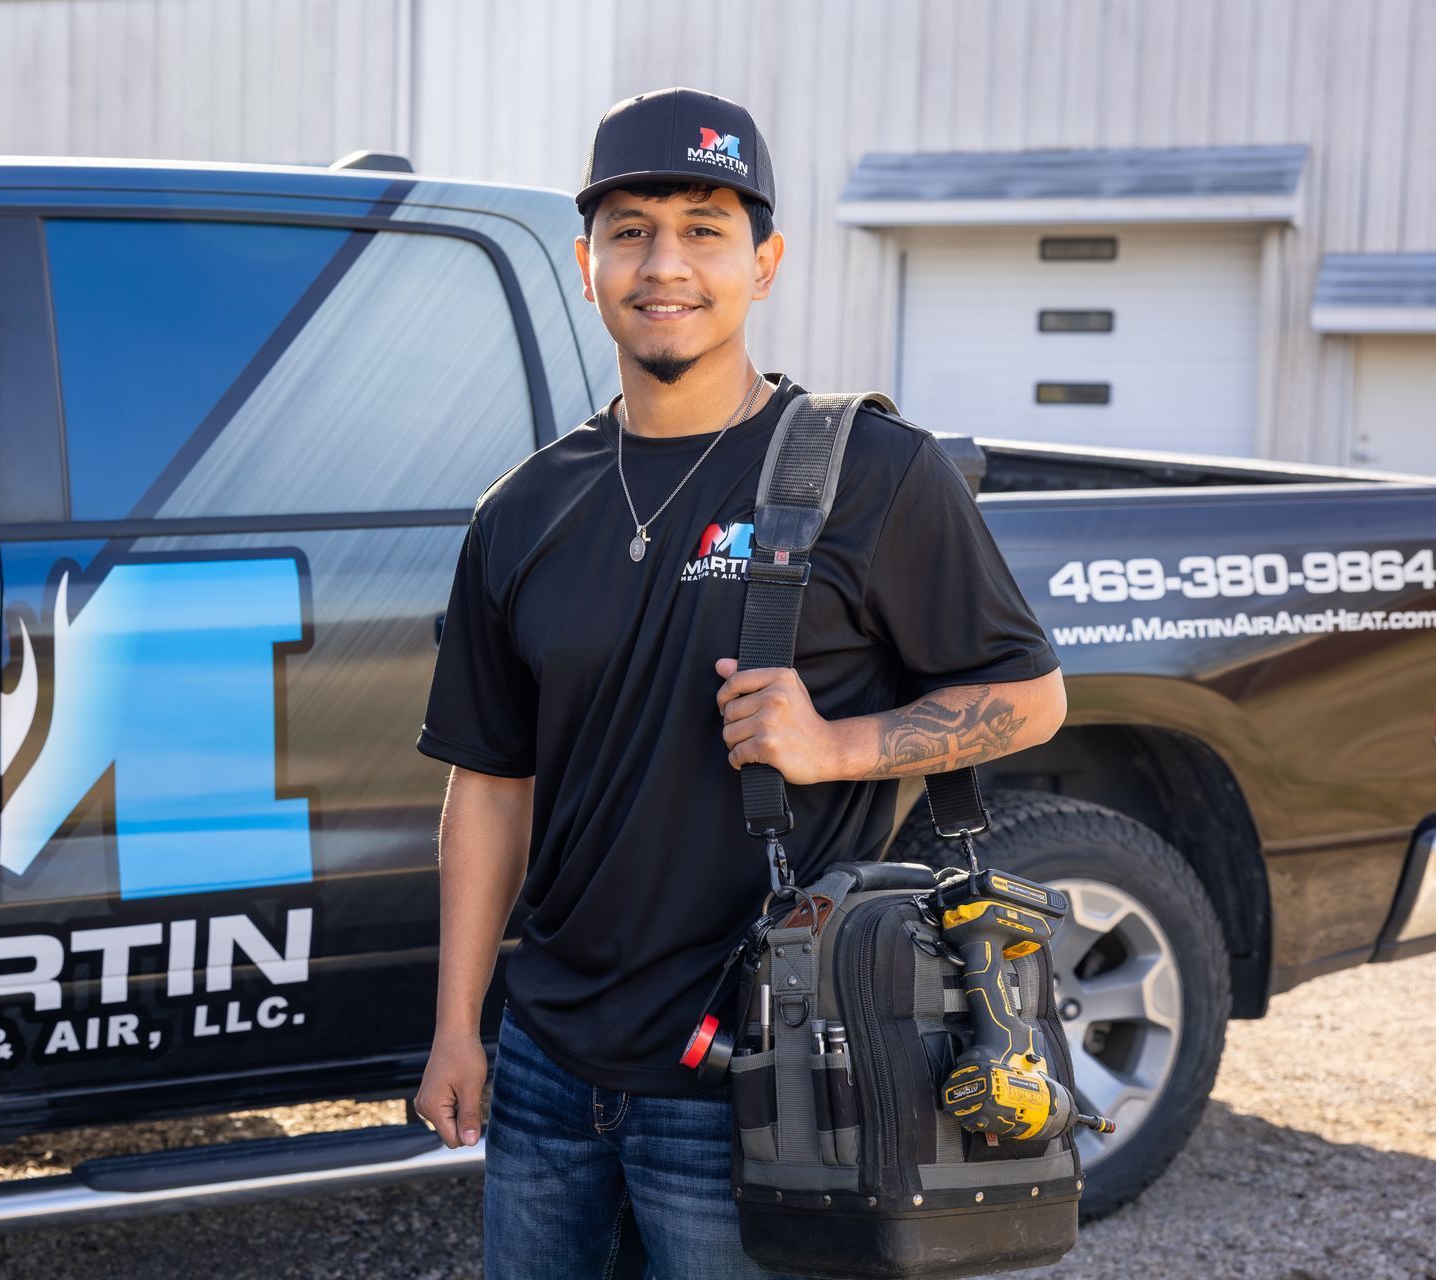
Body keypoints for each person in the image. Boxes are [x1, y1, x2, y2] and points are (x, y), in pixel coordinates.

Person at [411, 86, 1067, 1279]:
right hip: (551, 1069)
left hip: (765, 1067)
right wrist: (461, 1026)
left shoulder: (871, 472)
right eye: (632, 230)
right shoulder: (522, 509)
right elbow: (491, 783)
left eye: (705, 229)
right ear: (588, 261)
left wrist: (840, 744)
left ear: (764, 263)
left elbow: (1029, 694)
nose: (666, 262)